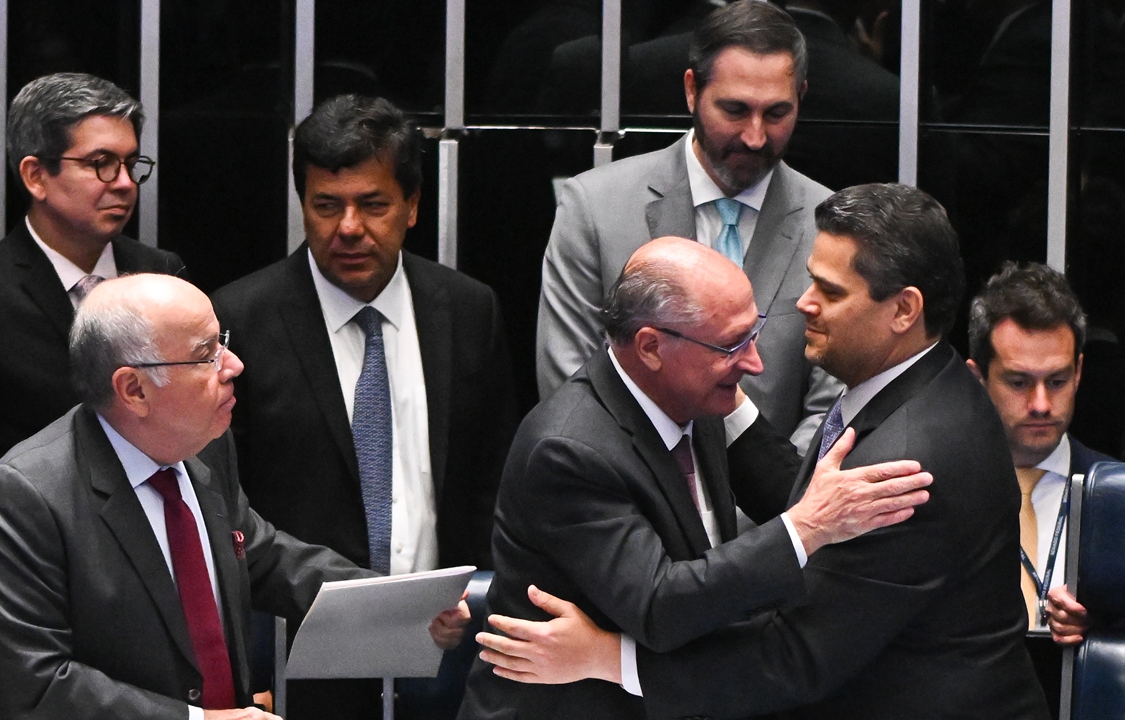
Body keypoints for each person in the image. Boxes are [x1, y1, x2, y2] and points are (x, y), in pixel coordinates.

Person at [474, 185, 1050, 719]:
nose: (804, 304)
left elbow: (794, 657)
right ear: (653, 349)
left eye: (830, 291)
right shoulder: (914, 387)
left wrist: (607, 657)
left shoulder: (903, 457)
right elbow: (799, 505)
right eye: (732, 345)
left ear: (903, 310)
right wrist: (803, 520)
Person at [0, 273, 468, 720]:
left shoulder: (206, 444)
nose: (234, 365)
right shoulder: (25, 495)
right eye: (206, 354)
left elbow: (264, 557)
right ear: (134, 390)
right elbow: (34, 686)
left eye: (221, 342)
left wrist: (401, 606)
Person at [211, 94, 517, 718]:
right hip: (294, 656)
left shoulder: (468, 310)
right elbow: (222, 505)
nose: (348, 227)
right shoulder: (240, 319)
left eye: (373, 204)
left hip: (451, 648)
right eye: (326, 205)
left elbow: (495, 479)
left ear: (412, 206)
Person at [535, 0, 842, 453]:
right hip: (626, 488)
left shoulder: (830, 228)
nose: (755, 136)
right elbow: (570, 393)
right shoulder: (595, 208)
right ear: (692, 91)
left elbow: (833, 407)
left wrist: (774, 494)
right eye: (735, 110)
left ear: (801, 96)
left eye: (777, 114)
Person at [0, 72, 185, 539]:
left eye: (131, 164)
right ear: (36, 176)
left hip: (160, 543)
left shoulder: (161, 275)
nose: (125, 183)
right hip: (32, 555)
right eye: (101, 163)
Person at [967, 261, 1114, 716]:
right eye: (1018, 382)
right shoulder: (936, 491)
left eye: (1057, 381)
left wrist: (1106, 624)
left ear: (1080, 371)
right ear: (977, 378)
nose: (1041, 405)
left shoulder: (1117, 497)